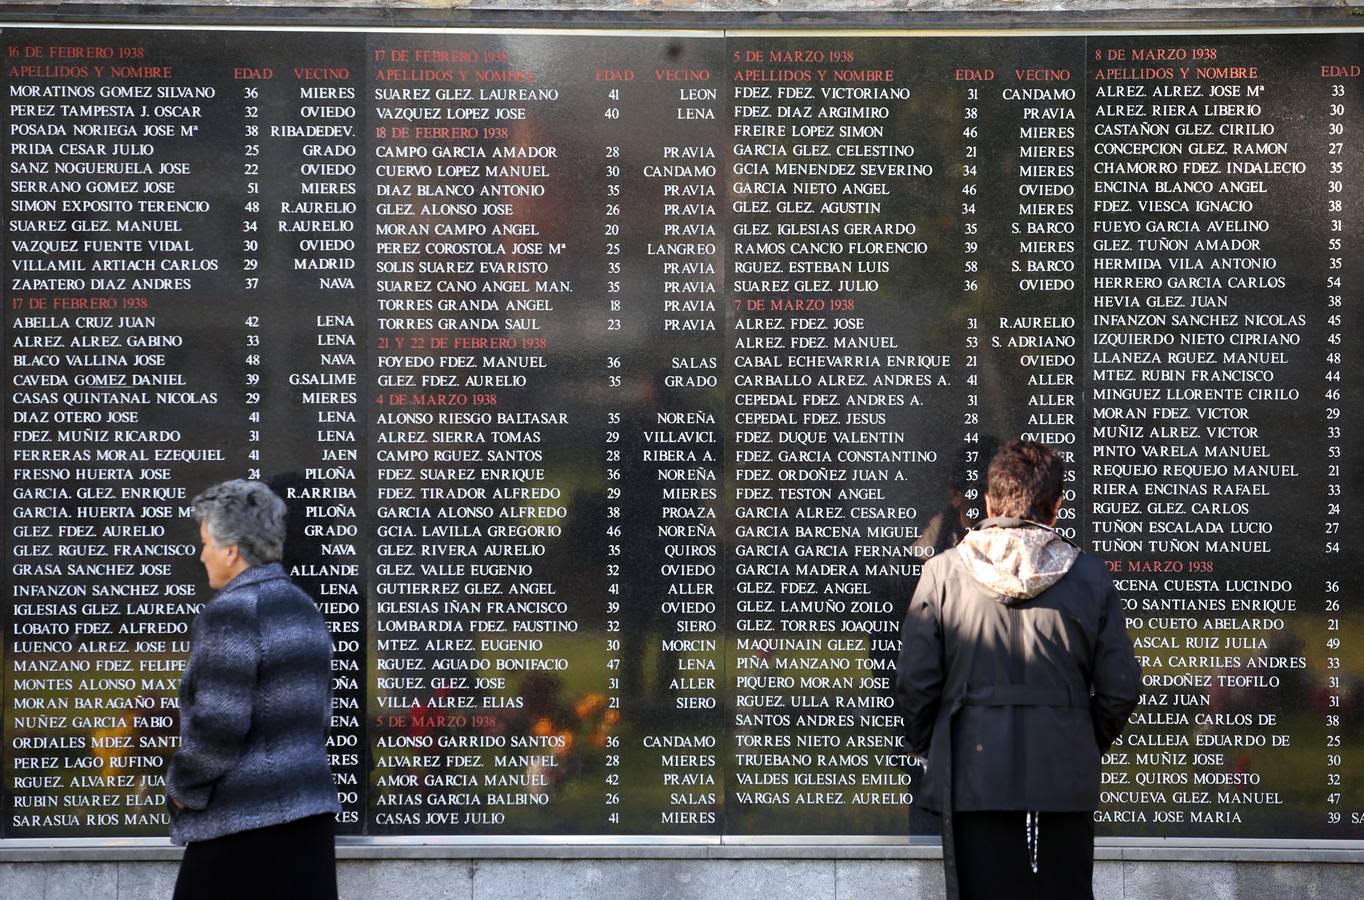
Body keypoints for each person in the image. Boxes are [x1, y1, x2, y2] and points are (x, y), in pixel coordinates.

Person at [895, 440, 1140, 899]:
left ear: (988, 502)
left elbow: (914, 682)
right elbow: (1119, 689)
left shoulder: (943, 575)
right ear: (1057, 508)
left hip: (972, 773)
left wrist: (944, 744)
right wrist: (1076, 736)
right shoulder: (1089, 578)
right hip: (1062, 776)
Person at [167, 479, 340, 900]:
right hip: (307, 827)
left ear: (231, 550)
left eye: (206, 542)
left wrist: (183, 789)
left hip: (241, 828)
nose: (201, 554)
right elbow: (321, 716)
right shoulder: (304, 608)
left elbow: (219, 723)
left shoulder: (232, 613)